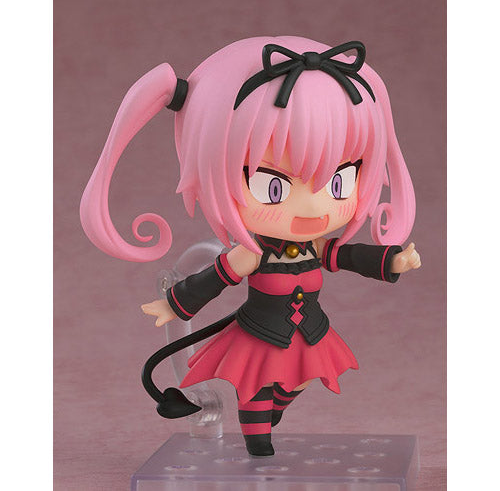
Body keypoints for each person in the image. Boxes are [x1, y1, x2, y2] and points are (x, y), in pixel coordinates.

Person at [80, 36, 421, 456]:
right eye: (272, 186)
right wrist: (175, 303)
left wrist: (392, 260)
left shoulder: (315, 246)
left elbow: (346, 255)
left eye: (340, 181)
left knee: (303, 378)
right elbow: (215, 278)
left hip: (309, 329)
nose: (313, 206)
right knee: (256, 387)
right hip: (260, 333)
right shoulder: (252, 255)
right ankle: (258, 443)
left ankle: (275, 410)